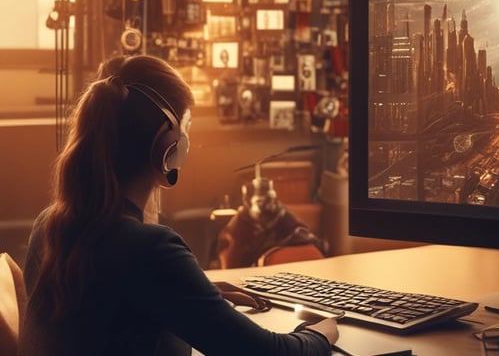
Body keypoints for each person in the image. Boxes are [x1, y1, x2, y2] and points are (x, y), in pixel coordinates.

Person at [19, 55, 339, 356]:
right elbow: (268, 354)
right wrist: (323, 333)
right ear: (168, 145)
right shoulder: (150, 249)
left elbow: (103, 305)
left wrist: (194, 293)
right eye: (184, 129)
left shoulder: (50, 225)